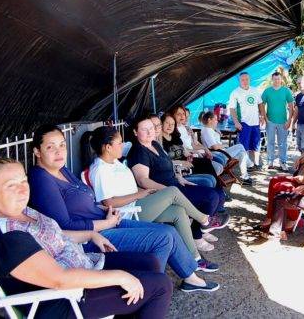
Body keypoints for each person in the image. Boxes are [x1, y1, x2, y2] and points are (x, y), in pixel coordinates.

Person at [0, 158, 173, 318]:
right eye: (11, 185)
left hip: (79, 267)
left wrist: (90, 234)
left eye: (23, 181)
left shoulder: (17, 212)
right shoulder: (5, 237)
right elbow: (59, 279)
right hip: (62, 301)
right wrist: (121, 277)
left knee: (150, 262)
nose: (23, 190)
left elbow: (54, 235)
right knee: (160, 285)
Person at [28, 125, 219, 292]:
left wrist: (104, 212)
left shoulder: (61, 170)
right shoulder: (41, 179)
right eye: (50, 147)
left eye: (62, 144)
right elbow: (63, 225)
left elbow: (84, 202)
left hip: (107, 220)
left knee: (168, 230)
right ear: (37, 151)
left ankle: (187, 278)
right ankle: (150, 289)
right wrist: (105, 222)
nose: (59, 151)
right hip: (90, 237)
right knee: (162, 238)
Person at [88, 125, 222, 272]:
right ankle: (204, 220)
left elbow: (128, 188)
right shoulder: (100, 170)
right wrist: (140, 194)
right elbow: (109, 202)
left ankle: (195, 259)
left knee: (178, 211)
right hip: (128, 214)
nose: (122, 146)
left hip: (139, 203)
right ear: (108, 147)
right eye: (119, 143)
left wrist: (146, 192)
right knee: (172, 191)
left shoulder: (115, 163)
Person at [127, 116, 229, 252]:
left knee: (219, 194)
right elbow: (142, 180)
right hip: (164, 192)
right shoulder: (139, 151)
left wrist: (180, 178)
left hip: (176, 184)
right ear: (135, 132)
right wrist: (166, 190)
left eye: (151, 128)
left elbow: (169, 166)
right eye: (144, 129)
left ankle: (200, 229)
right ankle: (197, 235)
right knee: (211, 197)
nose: (150, 131)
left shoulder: (154, 144)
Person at [158, 113, 218, 188]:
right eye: (167, 123)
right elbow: (164, 161)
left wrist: (190, 155)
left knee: (206, 162)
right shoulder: (159, 140)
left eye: (172, 124)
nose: (170, 126)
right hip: (177, 167)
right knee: (209, 180)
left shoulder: (175, 137)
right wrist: (181, 162)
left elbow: (184, 151)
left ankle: (218, 189)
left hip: (186, 162)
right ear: (162, 123)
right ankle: (210, 190)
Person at [200, 111, 254, 185]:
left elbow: (215, 141)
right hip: (218, 155)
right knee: (240, 146)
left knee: (242, 154)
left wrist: (216, 130)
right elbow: (214, 146)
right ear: (209, 120)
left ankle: (245, 177)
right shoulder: (207, 131)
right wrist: (225, 146)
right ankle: (250, 165)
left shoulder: (209, 129)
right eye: (215, 119)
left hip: (221, 152)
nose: (217, 121)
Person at [228, 72, 266, 169]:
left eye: (246, 79)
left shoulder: (255, 90)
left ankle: (256, 164)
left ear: (249, 80)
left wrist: (262, 116)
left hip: (256, 122)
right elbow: (232, 109)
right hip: (244, 123)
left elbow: (260, 103)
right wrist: (236, 122)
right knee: (244, 146)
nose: (245, 81)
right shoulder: (235, 92)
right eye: (242, 80)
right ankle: (247, 165)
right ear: (239, 81)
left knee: (256, 144)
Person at [171, 106, 224, 176]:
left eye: (185, 115)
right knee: (217, 168)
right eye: (179, 114)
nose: (185, 118)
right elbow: (183, 149)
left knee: (219, 165)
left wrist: (204, 149)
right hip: (191, 157)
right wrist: (199, 152)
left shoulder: (185, 128)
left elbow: (193, 144)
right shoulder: (174, 131)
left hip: (197, 154)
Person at [261, 71, 295, 170]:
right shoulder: (267, 91)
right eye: (275, 79)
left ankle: (283, 162)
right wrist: (265, 117)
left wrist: (289, 120)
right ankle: (270, 161)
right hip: (270, 121)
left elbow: (291, 106)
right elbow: (262, 104)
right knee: (270, 142)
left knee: (282, 143)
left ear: (281, 80)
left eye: (279, 79)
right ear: (272, 80)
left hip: (283, 121)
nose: (277, 81)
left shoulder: (286, 91)